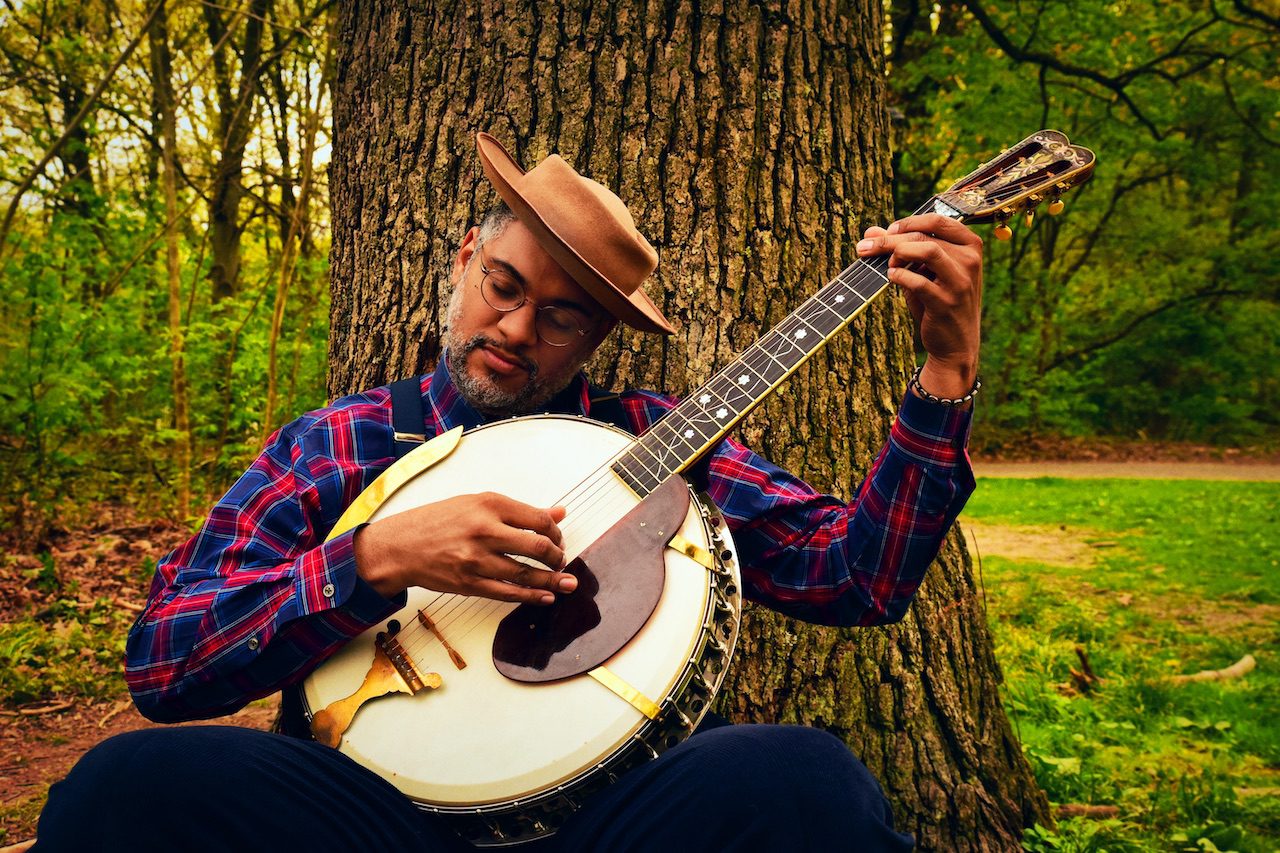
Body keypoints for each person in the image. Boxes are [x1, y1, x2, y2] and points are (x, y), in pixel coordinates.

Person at [30, 132, 982, 852]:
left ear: (596, 341)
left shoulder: (655, 440)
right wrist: (373, 558)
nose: (518, 328)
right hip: (370, 820)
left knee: (809, 783)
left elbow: (855, 577)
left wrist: (945, 374)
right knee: (123, 785)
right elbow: (163, 662)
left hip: (607, 818)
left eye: (562, 317)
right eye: (502, 284)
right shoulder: (339, 444)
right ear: (462, 263)